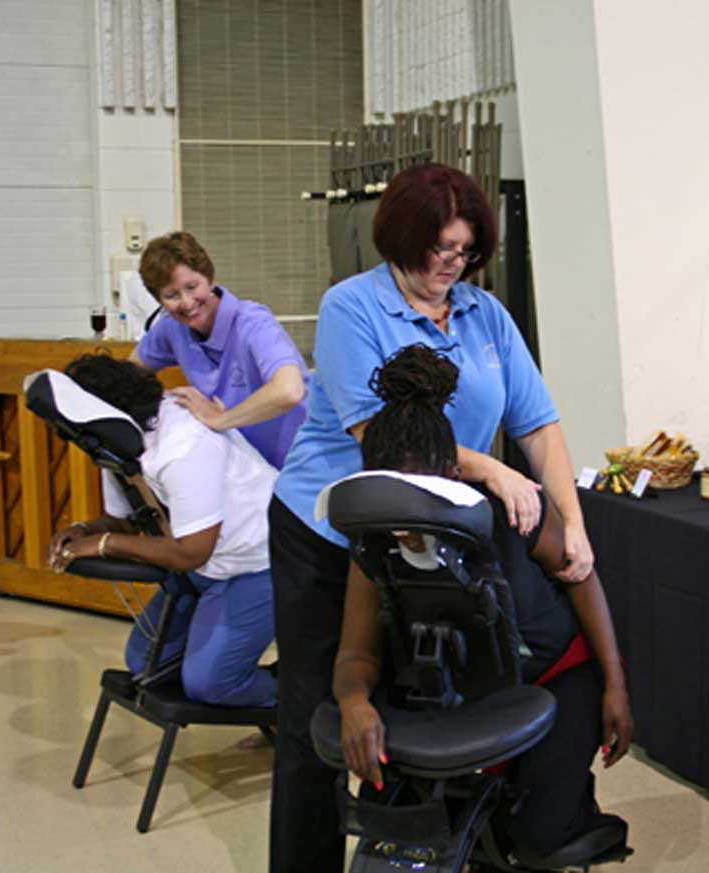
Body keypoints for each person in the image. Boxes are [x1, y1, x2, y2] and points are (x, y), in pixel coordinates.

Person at [268, 162, 600, 873]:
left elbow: (539, 425)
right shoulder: (351, 308)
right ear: (400, 239)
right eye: (438, 248)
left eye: (464, 250)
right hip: (332, 532)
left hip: (432, 536)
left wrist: (571, 523)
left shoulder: (485, 315)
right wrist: (491, 467)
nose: (450, 263)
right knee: (312, 721)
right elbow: (379, 438)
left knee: (424, 704)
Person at [332, 344, 633, 860]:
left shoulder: (509, 512)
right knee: (404, 817)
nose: (402, 518)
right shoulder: (374, 544)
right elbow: (357, 652)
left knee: (536, 838)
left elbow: (581, 578)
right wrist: (353, 700)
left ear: (452, 475)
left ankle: (568, 813)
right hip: (454, 686)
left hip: (553, 674)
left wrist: (615, 682)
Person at [48, 354, 278, 708]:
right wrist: (84, 531)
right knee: (145, 665)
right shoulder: (120, 443)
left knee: (210, 685)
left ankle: (306, 702)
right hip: (206, 566)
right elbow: (124, 518)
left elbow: (191, 552)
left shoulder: (183, 445)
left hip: (258, 563)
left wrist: (105, 544)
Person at [129, 231, 308, 470]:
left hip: (299, 467)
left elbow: (289, 391)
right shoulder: (171, 329)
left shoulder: (253, 323)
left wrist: (219, 419)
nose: (187, 303)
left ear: (210, 279)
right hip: (246, 469)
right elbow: (129, 374)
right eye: (171, 295)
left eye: (192, 287)